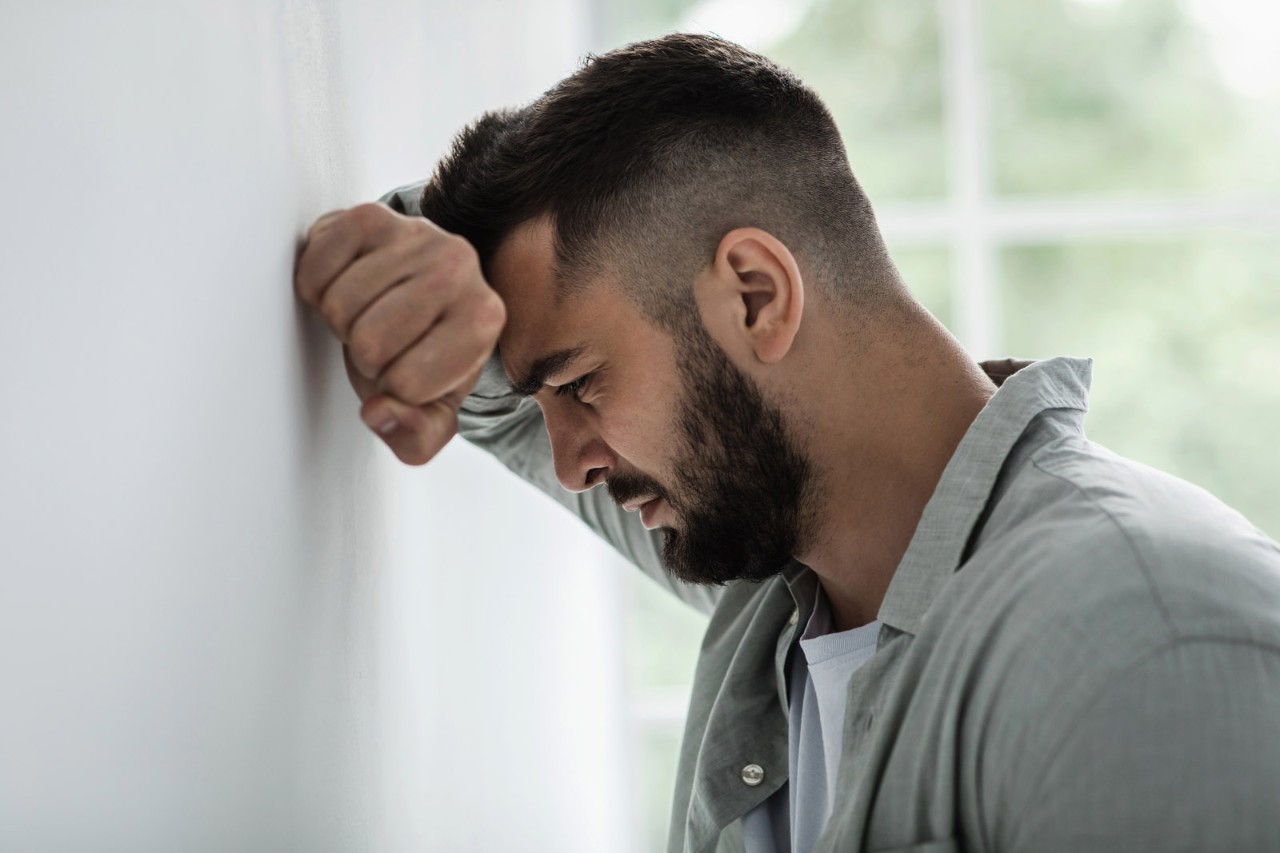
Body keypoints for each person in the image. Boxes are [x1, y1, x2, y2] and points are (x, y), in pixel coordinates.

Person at [293, 33, 1280, 853]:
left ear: (755, 297)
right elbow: (476, 385)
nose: (569, 462)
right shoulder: (777, 565)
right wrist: (419, 268)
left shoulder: (1146, 640)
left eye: (582, 384)